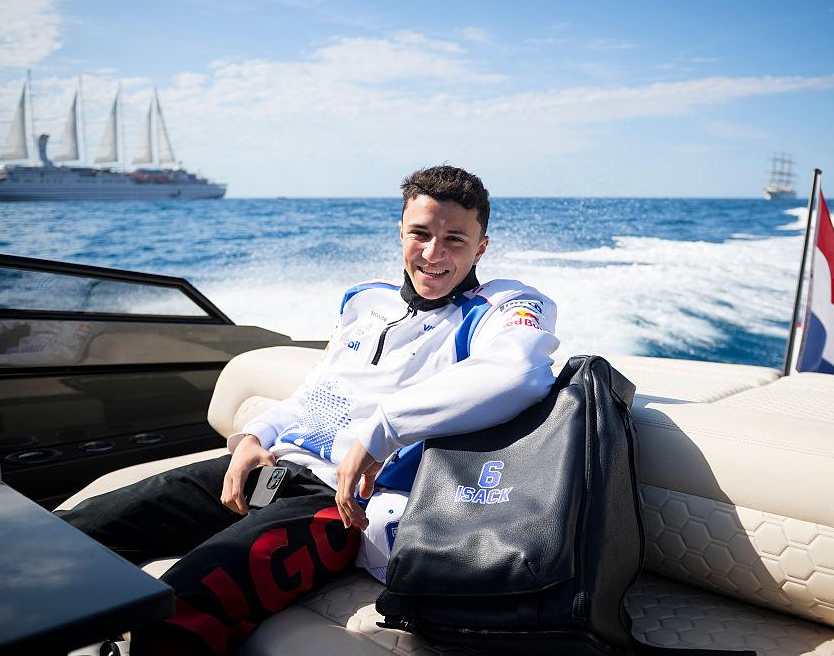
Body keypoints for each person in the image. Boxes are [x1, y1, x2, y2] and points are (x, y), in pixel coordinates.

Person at [59, 165, 560, 655]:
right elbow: (317, 392)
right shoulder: (366, 302)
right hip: (274, 466)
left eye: (454, 239)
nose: (433, 253)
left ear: (481, 247)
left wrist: (381, 431)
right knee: (71, 533)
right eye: (420, 234)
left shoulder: (501, 306)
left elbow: (518, 371)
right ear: (400, 233)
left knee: (180, 608)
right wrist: (254, 436)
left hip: (340, 503)